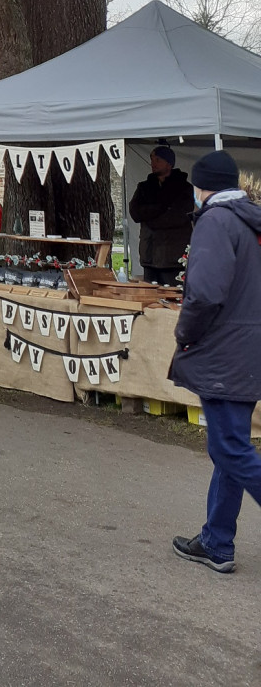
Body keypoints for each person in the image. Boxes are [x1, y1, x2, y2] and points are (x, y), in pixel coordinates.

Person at [170, 150, 261, 574]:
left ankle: (218, 542)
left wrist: (184, 334)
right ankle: (217, 542)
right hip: (247, 348)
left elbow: (204, 294)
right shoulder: (250, 220)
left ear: (201, 186)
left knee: (230, 448)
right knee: (232, 448)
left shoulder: (215, 222)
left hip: (224, 350)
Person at [128, 144, 194, 285]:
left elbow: (179, 217)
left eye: (158, 160)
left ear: (168, 163)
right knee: (149, 301)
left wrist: (150, 217)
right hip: (149, 255)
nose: (153, 163)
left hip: (173, 257)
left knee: (172, 299)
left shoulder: (184, 188)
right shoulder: (144, 187)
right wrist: (162, 207)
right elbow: (135, 212)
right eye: (152, 159)